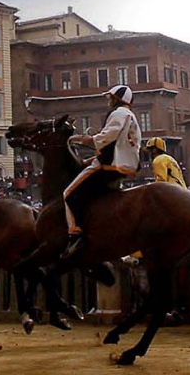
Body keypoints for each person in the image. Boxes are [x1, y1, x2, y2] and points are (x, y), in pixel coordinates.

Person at [60, 85, 142, 260]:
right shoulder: (130, 116)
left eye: (110, 98)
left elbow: (107, 138)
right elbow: (115, 144)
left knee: (68, 194)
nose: (108, 101)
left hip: (110, 166)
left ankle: (75, 235)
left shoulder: (119, 113)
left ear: (117, 99)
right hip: (123, 166)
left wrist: (85, 139)